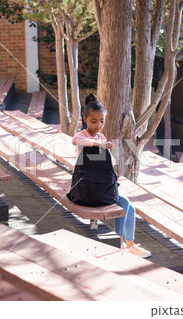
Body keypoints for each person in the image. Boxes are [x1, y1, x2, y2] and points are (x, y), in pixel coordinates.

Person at [71, 93, 151, 258]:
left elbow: (109, 160)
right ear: (85, 119)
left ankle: (127, 243)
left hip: (100, 185)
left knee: (129, 206)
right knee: (124, 205)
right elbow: (76, 141)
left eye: (102, 121)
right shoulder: (83, 135)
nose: (98, 125)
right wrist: (99, 144)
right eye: (94, 121)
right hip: (86, 187)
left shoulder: (101, 137)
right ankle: (122, 244)